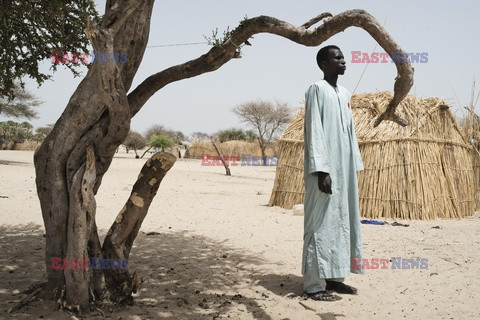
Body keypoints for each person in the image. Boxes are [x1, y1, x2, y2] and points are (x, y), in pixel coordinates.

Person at [302, 45, 365, 301]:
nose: (344, 61)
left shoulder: (345, 93)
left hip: (344, 167)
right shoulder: (316, 90)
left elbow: (349, 131)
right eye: (337, 58)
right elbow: (314, 130)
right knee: (319, 224)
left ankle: (335, 278)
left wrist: (352, 165)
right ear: (324, 64)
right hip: (325, 169)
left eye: (344, 57)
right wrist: (321, 169)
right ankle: (313, 285)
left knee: (342, 221)